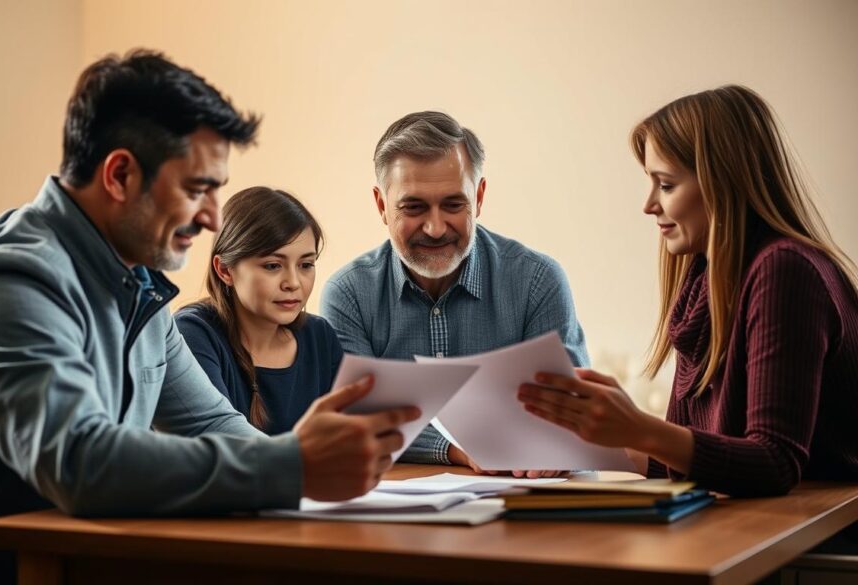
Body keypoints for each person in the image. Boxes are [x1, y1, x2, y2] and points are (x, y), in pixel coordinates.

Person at [0, 50, 418, 584]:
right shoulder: (7, 281)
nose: (214, 218)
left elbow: (216, 425)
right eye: (198, 189)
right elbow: (81, 463)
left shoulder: (140, 290)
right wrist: (293, 464)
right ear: (119, 176)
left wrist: (315, 471)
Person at [518, 85, 858, 498]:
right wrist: (588, 444)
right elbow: (701, 463)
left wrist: (642, 428)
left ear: (722, 183)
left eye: (665, 184)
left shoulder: (785, 270)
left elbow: (774, 464)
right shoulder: (702, 281)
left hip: (819, 547)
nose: (648, 205)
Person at [321, 111, 588, 476]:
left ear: (478, 198)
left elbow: (570, 410)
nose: (434, 228)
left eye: (453, 204)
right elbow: (361, 422)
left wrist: (549, 439)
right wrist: (459, 447)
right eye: (413, 207)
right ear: (382, 205)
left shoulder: (538, 281)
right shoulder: (348, 294)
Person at [176, 187, 343, 434]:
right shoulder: (193, 333)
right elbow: (219, 443)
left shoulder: (319, 335)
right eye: (273, 265)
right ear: (225, 270)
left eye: (306, 264)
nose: (293, 283)